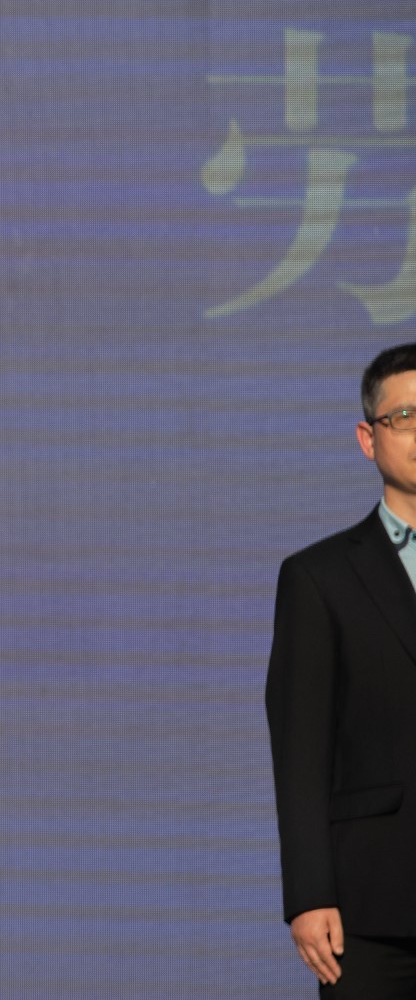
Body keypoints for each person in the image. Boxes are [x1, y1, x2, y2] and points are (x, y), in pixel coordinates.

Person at [267, 341, 416, 998]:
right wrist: (308, 894)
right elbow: (300, 749)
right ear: (368, 438)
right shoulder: (319, 577)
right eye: (406, 417)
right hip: (373, 904)